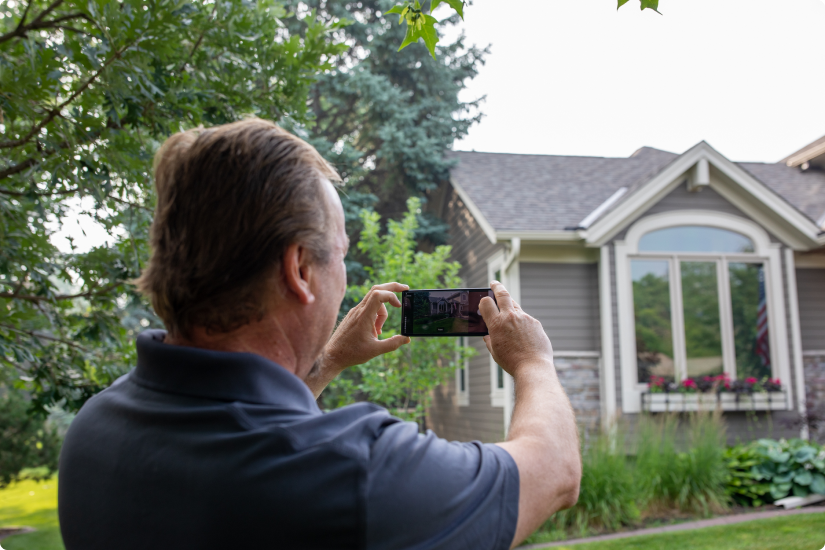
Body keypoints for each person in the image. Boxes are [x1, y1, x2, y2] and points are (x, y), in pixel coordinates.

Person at [58, 119, 581, 549]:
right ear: (301, 270)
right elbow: (554, 470)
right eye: (342, 255)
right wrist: (532, 361)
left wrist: (326, 359)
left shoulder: (95, 429)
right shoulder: (352, 471)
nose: (345, 277)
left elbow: (241, 428)